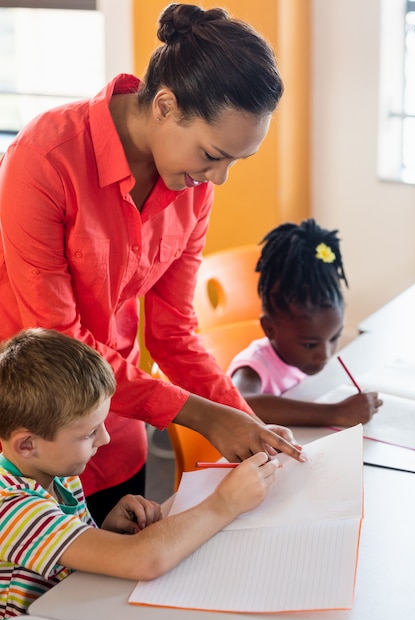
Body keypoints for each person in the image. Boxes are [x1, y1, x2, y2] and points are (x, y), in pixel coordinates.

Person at [0, 3, 304, 526]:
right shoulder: (44, 159)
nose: (220, 178)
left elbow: (173, 332)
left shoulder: (192, 184)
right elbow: (59, 342)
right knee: (40, 599)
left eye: (235, 161)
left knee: (121, 595)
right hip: (34, 440)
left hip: (118, 423)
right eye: (213, 155)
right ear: (165, 105)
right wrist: (204, 416)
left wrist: (246, 424)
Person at [0, 328, 281, 620]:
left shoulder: (55, 470)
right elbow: (144, 559)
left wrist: (104, 532)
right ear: (27, 445)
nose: (105, 439)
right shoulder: (10, 507)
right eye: (88, 434)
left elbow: (62, 557)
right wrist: (226, 502)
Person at [227, 219, 383, 427]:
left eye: (334, 337)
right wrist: (335, 413)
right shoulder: (255, 366)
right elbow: (243, 404)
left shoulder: (301, 358)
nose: (325, 354)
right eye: (310, 344)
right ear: (270, 328)